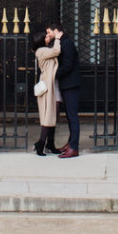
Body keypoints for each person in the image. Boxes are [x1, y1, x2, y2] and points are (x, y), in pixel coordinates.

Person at [48, 22, 80, 158]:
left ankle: (74, 147)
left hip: (71, 85)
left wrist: (52, 74)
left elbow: (67, 66)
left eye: (50, 32)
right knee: (69, 116)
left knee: (72, 117)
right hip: (67, 84)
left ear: (56, 31)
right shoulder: (63, 42)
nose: (48, 35)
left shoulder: (67, 44)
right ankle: (70, 143)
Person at [31, 28, 63, 156]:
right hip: (48, 86)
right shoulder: (41, 51)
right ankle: (41, 143)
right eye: (45, 37)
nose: (47, 38)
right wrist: (58, 39)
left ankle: (50, 143)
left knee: (53, 115)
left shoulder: (45, 50)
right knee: (48, 115)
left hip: (54, 85)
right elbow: (56, 51)